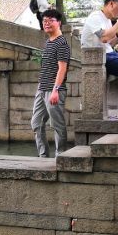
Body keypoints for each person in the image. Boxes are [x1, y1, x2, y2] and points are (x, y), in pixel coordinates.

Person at [31, 8, 70, 157]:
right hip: (42, 89)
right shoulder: (48, 42)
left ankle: (61, 156)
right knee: (36, 123)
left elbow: (62, 69)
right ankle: (43, 156)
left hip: (54, 90)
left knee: (57, 125)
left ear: (58, 23)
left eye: (50, 20)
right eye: (44, 21)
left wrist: (55, 90)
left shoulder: (62, 43)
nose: (46, 23)